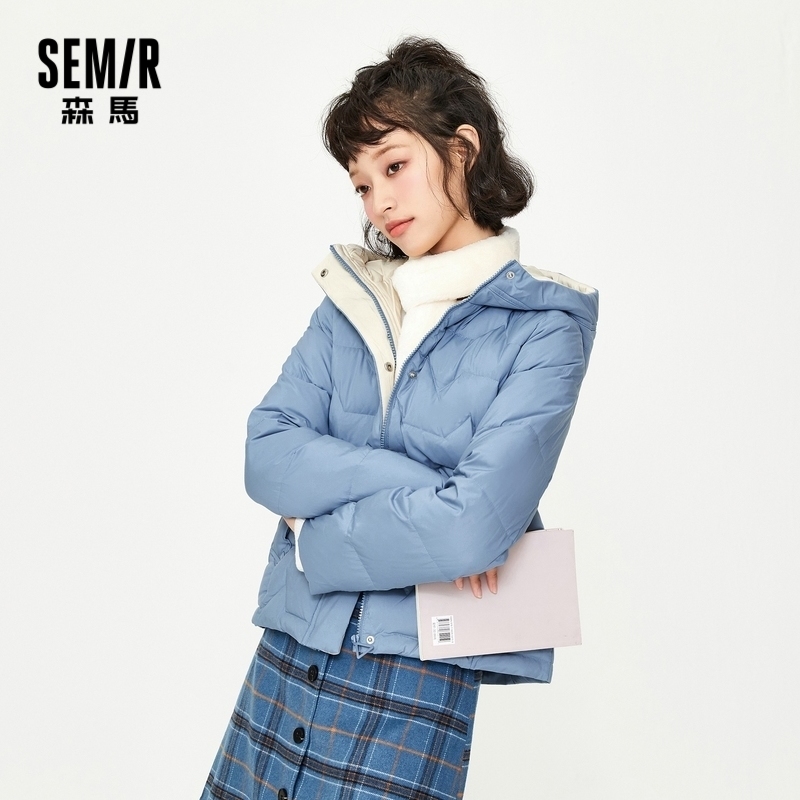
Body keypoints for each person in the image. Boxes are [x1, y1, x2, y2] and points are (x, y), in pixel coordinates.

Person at [201, 36, 598, 800]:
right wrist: (422, 482)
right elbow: (267, 454)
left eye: (394, 166)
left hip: (411, 678)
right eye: (361, 183)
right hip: (290, 650)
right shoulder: (354, 298)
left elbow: (469, 530)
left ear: (463, 150)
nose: (378, 202)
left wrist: (312, 543)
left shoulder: (547, 325)